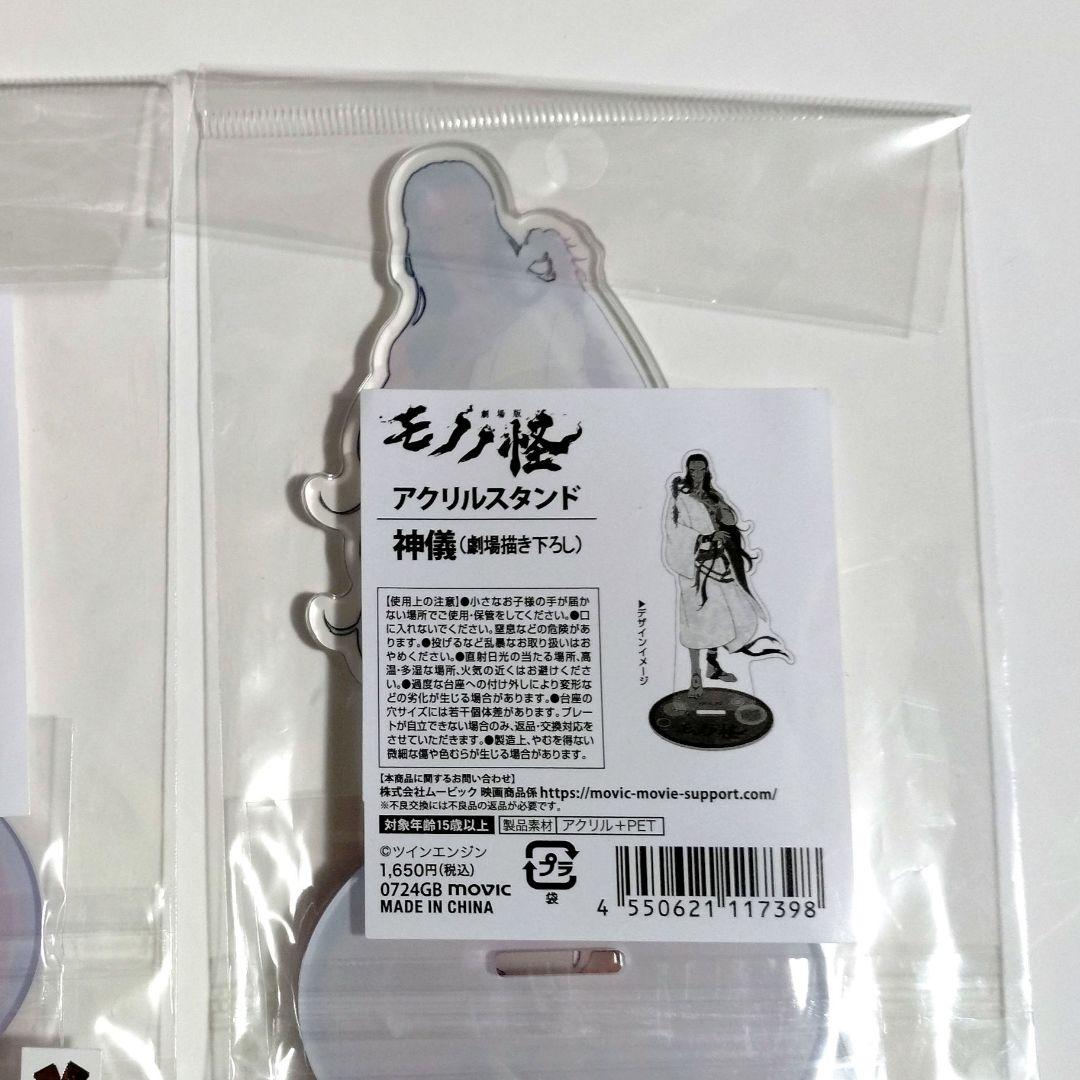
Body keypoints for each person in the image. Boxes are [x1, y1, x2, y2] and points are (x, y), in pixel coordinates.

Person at [663, 453, 786, 699]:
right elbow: (674, 531)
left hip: (719, 562)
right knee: (697, 622)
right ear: (687, 470)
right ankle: (695, 676)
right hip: (694, 567)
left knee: (721, 617)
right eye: (693, 469)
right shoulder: (680, 498)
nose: (697, 474)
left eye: (701, 469)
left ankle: (713, 665)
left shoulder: (713, 496)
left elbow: (729, 520)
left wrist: (720, 509)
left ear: (707, 471)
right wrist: (706, 537)